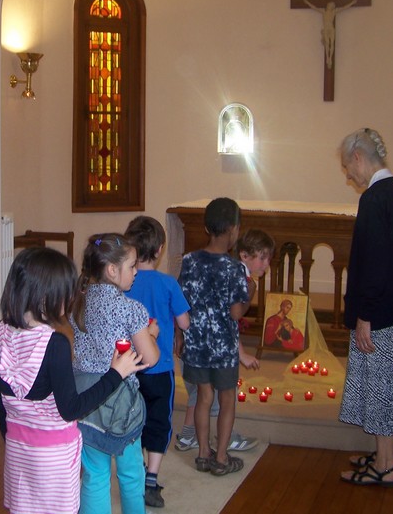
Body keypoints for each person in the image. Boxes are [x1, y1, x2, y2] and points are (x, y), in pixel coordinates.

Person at [0, 247, 146, 514]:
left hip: (18, 449)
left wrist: (12, 438)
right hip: (55, 456)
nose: (70, 298)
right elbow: (71, 409)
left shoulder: (1, 332)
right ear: (48, 296)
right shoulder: (55, 344)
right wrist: (116, 374)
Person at [337, 128, 393, 488]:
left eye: (347, 166)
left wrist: (365, 314)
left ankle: (384, 467)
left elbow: (375, 263)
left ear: (359, 157)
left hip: (381, 312)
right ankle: (392, 453)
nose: (348, 175)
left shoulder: (373, 199)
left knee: (381, 391)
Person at [70, 233, 160, 514]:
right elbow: (150, 358)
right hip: (119, 402)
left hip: (85, 398)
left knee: (94, 475)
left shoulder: (78, 304)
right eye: (132, 266)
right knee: (131, 473)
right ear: (112, 270)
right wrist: (152, 335)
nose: (135, 273)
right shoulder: (130, 308)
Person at [179, 198, 255, 476]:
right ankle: (221, 457)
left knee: (203, 398)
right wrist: (250, 295)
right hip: (223, 348)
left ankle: (202, 454)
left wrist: (180, 336)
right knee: (227, 399)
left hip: (196, 344)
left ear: (206, 227)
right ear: (234, 229)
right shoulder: (233, 268)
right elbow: (236, 313)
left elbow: (181, 301)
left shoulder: (189, 261)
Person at [123, 216, 190, 508]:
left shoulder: (124, 282)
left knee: (132, 419)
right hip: (160, 367)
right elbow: (185, 324)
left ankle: (134, 473)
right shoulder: (168, 283)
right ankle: (151, 478)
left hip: (129, 367)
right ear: (160, 248)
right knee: (159, 421)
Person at [303, 0, 357, 69]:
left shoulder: (333, 12)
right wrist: (308, 3)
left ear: (332, 7)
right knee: (327, 43)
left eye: (330, 5)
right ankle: (327, 57)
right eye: (328, 5)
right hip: (326, 29)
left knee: (332, 44)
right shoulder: (323, 12)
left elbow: (344, 8)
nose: (328, 6)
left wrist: (352, 3)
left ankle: (330, 58)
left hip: (331, 29)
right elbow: (314, 8)